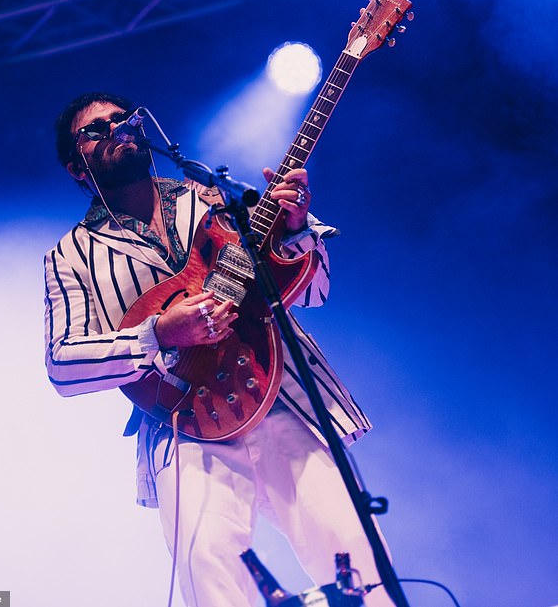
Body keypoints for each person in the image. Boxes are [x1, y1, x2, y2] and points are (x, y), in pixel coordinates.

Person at [44, 91, 393, 607]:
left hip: (280, 395)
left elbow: (313, 292)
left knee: (357, 552)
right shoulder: (70, 256)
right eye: (97, 130)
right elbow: (62, 366)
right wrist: (159, 333)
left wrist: (295, 228)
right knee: (210, 569)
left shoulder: (214, 198)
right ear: (77, 168)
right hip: (185, 422)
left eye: (123, 119)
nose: (117, 128)